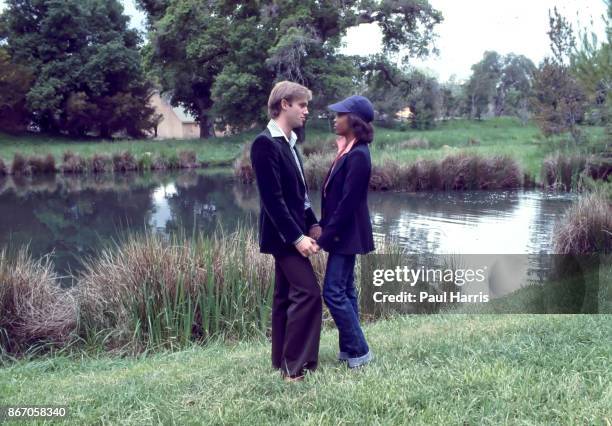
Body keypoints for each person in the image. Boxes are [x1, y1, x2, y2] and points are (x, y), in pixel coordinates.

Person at [250, 81, 323, 382]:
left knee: (284, 297)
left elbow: (299, 196)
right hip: (283, 238)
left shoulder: (290, 142)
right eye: (301, 105)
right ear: (284, 105)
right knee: (308, 293)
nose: (306, 111)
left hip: (294, 232)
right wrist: (297, 238)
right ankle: (294, 369)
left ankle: (281, 360)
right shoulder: (265, 144)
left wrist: (313, 223)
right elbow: (273, 200)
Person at [317, 95, 376, 369]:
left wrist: (325, 237)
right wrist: (321, 223)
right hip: (343, 233)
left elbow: (348, 203)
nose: (335, 118)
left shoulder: (359, 155)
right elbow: (334, 196)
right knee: (346, 290)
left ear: (352, 121)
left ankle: (360, 351)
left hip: (347, 235)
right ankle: (350, 351)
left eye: (339, 114)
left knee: (333, 292)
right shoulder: (349, 150)